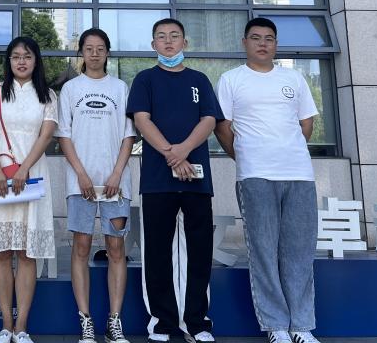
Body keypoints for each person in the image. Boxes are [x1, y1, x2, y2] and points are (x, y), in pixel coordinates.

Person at [214, 18, 321, 343]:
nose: (263, 43)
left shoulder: (293, 78)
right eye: (256, 38)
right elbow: (223, 128)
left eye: (269, 38)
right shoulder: (232, 79)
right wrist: (246, 155)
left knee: (299, 252)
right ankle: (276, 326)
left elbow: (306, 124)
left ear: (276, 44)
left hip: (299, 174)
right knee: (263, 251)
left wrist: (287, 149)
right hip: (255, 175)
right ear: (244, 42)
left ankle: (301, 326)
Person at [125, 18, 221, 343]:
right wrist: (171, 154)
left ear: (185, 43)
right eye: (162, 37)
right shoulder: (145, 79)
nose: (168, 42)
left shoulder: (199, 80)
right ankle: (162, 324)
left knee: (199, 253)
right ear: (153, 44)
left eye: (174, 36)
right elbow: (142, 120)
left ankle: (197, 323)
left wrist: (183, 150)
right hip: (157, 181)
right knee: (157, 254)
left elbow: (209, 120)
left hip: (197, 179)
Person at [0, 36, 58, 343]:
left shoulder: (47, 94)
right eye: (16, 57)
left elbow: (46, 136)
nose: (21, 62)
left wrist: (24, 169)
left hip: (32, 176)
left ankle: (21, 327)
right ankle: (5, 325)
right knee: (2, 253)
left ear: (36, 61)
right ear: (8, 61)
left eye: (27, 56)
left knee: (26, 253)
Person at [58, 28, 135, 343]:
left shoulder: (120, 88)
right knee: (81, 246)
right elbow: (64, 135)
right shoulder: (70, 89)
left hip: (116, 184)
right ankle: (86, 321)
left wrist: (116, 173)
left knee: (116, 248)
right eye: (88, 48)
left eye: (100, 48)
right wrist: (81, 174)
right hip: (81, 184)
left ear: (107, 52)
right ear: (81, 52)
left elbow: (129, 135)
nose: (94, 53)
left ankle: (114, 322)